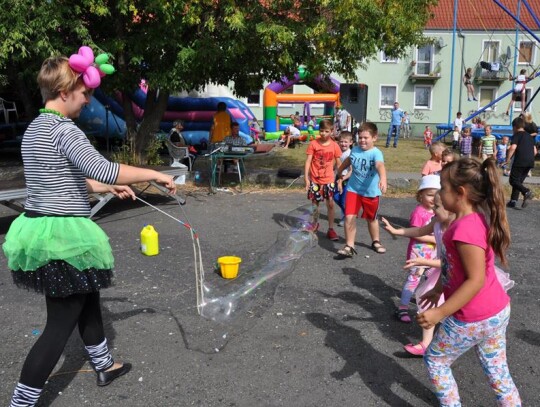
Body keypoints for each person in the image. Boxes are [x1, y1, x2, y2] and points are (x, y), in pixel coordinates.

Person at [2, 54, 177, 407]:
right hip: (63, 237)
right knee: (60, 322)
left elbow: (58, 179)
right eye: (84, 93)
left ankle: (103, 364)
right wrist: (155, 174)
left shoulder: (35, 128)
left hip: (41, 230)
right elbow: (107, 168)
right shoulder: (65, 130)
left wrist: (100, 188)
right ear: (65, 91)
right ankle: (21, 403)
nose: (88, 100)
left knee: (88, 297)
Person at [417, 158, 521, 406]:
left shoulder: (465, 229)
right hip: (495, 311)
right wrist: (439, 289)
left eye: (443, 187)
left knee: (436, 359)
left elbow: (475, 281)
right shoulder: (472, 220)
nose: (439, 194)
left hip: (472, 317)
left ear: (460, 193)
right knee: (497, 370)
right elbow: (457, 269)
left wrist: (440, 312)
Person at [382, 191, 453, 356]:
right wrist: (396, 231)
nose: (433, 209)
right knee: (427, 302)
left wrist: (424, 262)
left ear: (450, 208)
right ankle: (425, 345)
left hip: (454, 274)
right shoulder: (437, 221)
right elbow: (419, 231)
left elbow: (452, 264)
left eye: (437, 206)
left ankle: (456, 341)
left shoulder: (455, 230)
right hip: (441, 272)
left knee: (456, 308)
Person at [391, 175, 439, 324]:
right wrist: (436, 239)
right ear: (420, 195)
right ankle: (403, 307)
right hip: (418, 252)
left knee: (433, 279)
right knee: (414, 279)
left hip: (434, 253)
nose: (433, 199)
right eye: (430, 195)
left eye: (437, 195)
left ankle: (429, 303)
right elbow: (416, 233)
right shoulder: (419, 212)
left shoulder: (438, 212)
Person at [335, 122, 387, 257]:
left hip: (371, 192)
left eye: (366, 138)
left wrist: (383, 179)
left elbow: (379, 165)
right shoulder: (355, 150)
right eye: (360, 137)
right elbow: (349, 161)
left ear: (374, 138)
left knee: (372, 218)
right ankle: (349, 246)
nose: (362, 140)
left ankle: (376, 241)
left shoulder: (376, 153)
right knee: (349, 217)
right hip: (354, 190)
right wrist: (340, 171)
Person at [304, 119, 342, 240]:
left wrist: (340, 179)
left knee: (330, 204)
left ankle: (331, 229)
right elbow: (308, 162)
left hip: (329, 180)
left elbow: (339, 163)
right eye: (321, 131)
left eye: (326, 131)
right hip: (315, 180)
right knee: (315, 204)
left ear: (332, 131)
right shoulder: (313, 144)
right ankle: (314, 224)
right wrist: (306, 178)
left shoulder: (335, 145)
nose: (323, 133)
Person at [505, 116, 536, 208]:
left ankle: (526, 191)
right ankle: (513, 201)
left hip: (520, 161)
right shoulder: (530, 137)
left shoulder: (517, 135)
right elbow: (535, 151)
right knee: (518, 182)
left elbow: (513, 148)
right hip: (530, 162)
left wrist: (507, 159)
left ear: (515, 127)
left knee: (513, 180)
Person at [333, 132, 353, 227]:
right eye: (341, 142)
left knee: (343, 200)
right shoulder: (338, 152)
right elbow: (336, 164)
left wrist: (343, 179)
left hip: (347, 180)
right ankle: (349, 213)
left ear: (351, 143)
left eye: (346, 142)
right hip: (338, 178)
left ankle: (346, 216)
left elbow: (351, 171)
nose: (343, 144)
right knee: (335, 196)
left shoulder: (350, 154)